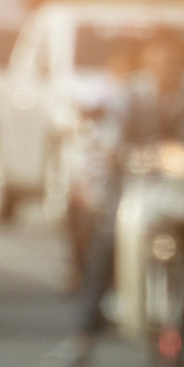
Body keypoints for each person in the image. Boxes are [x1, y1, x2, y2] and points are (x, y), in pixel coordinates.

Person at [44, 27, 184, 367]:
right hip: (136, 191)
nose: (167, 67)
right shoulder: (130, 99)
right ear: (148, 62)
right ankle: (82, 337)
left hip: (183, 196)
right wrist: (117, 154)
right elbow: (112, 138)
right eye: (160, 59)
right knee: (106, 245)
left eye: (173, 60)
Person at [65, 33, 144, 293]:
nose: (124, 66)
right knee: (84, 223)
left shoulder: (139, 93)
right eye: (120, 60)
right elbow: (82, 111)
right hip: (94, 167)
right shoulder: (96, 88)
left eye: (129, 61)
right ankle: (78, 270)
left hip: (127, 168)